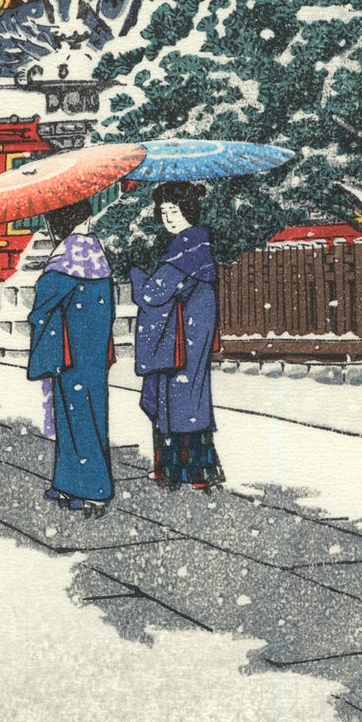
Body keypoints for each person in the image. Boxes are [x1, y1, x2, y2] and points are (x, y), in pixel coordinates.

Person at [130, 181, 225, 494]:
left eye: (175, 210)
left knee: (177, 401)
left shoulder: (186, 247)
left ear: (190, 211)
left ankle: (179, 470)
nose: (169, 217)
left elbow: (154, 293)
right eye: (165, 211)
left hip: (182, 337)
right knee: (191, 398)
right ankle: (200, 470)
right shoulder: (200, 246)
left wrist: (135, 273)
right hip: (194, 332)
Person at [25, 198, 116, 519]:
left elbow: (43, 299)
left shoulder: (67, 256)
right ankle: (71, 482)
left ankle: (92, 489)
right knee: (90, 414)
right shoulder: (96, 253)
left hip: (72, 350)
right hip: (92, 347)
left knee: (74, 416)